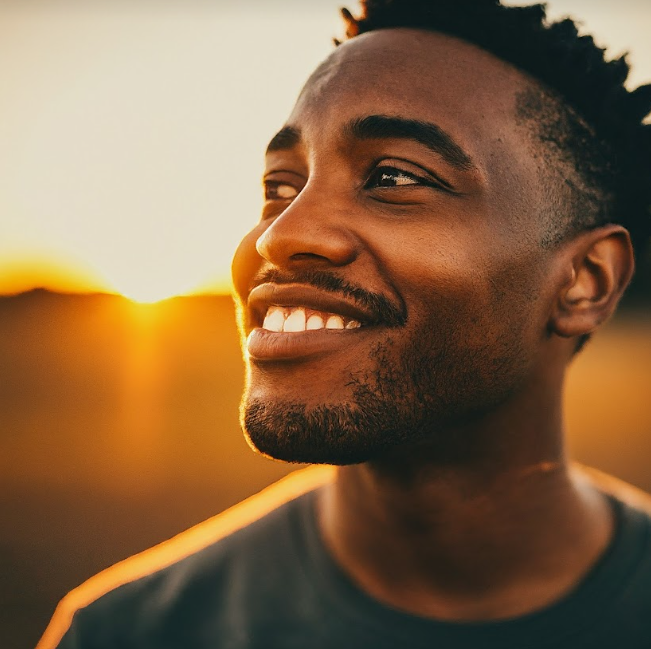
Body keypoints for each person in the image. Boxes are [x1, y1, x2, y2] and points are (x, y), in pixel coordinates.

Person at [38, 1, 651, 647]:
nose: (280, 234)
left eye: (391, 176)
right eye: (280, 185)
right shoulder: (125, 632)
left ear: (585, 279)